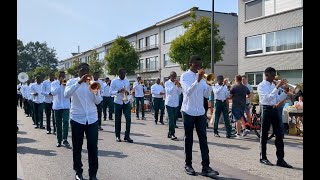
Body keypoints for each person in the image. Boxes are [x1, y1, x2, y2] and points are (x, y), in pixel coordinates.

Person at [180, 55, 219, 177]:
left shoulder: (202, 79)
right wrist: (198, 79)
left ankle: (206, 167)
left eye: (200, 65)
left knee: (203, 140)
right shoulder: (184, 76)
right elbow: (188, 92)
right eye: (196, 65)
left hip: (200, 112)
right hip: (188, 111)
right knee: (189, 139)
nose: (199, 67)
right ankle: (188, 165)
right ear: (190, 64)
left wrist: (210, 84)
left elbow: (206, 95)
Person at [64, 63, 102, 180]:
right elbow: (66, 94)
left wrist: (95, 92)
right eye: (82, 70)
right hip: (77, 118)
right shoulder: (71, 82)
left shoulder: (93, 84)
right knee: (77, 147)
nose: (85, 73)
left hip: (92, 119)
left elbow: (98, 101)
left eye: (87, 70)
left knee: (92, 147)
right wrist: (79, 82)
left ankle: (93, 174)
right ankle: (78, 172)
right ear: (78, 71)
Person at [257, 67, 292, 168]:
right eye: (272, 76)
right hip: (266, 109)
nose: (274, 78)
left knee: (279, 135)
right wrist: (277, 87)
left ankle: (280, 160)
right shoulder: (261, 86)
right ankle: (263, 158)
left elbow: (277, 99)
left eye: (274, 76)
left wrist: (285, 92)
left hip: (275, 109)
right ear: (267, 75)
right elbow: (267, 98)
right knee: (264, 135)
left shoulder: (273, 85)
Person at [110, 68, 133, 143]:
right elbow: (111, 92)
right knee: (118, 120)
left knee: (128, 119)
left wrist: (128, 93)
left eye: (125, 73)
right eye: (123, 73)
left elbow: (129, 92)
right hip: (118, 102)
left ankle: (127, 136)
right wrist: (119, 91)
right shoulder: (114, 81)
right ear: (119, 74)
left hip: (126, 102)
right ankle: (117, 136)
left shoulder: (127, 81)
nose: (124, 75)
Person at [51, 71, 71, 147]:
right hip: (57, 106)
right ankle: (59, 140)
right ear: (58, 76)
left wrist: (65, 85)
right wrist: (59, 84)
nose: (62, 77)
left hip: (66, 106)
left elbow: (69, 93)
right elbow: (53, 93)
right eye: (60, 76)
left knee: (66, 122)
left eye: (63, 76)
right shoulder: (54, 83)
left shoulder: (67, 83)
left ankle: (65, 139)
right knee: (58, 124)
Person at [165, 71, 181, 140]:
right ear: (170, 76)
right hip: (169, 103)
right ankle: (172, 134)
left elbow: (179, 93)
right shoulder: (167, 83)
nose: (175, 78)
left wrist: (179, 87)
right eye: (174, 76)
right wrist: (174, 85)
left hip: (175, 103)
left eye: (175, 76)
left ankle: (169, 133)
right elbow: (169, 92)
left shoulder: (177, 83)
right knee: (171, 119)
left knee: (174, 119)